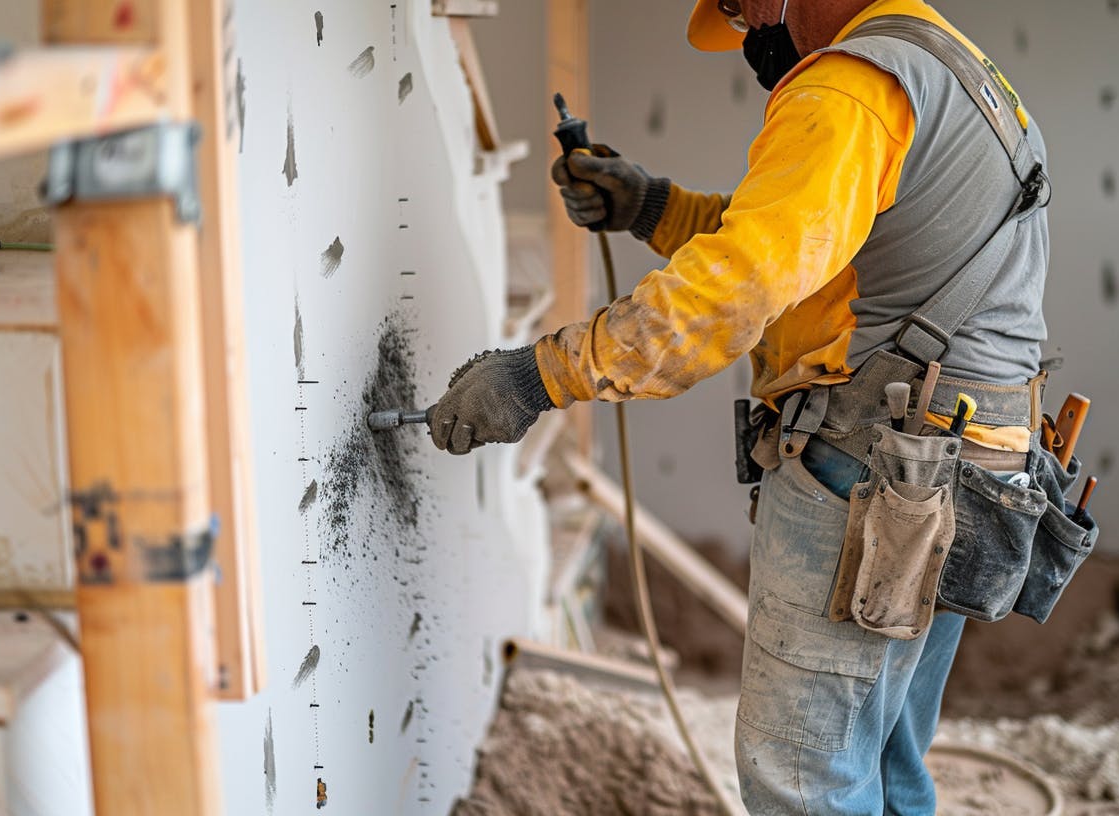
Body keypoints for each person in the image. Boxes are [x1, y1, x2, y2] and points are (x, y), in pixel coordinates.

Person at [429, 0, 1058, 812]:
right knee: (884, 750)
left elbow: (740, 284)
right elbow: (817, 253)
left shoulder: (850, 91)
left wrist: (538, 376)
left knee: (804, 777)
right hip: (964, 471)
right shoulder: (947, 66)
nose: (746, 35)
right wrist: (652, 206)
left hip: (873, 474)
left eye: (734, 6)